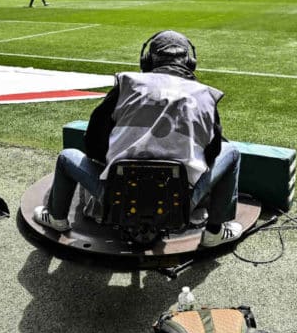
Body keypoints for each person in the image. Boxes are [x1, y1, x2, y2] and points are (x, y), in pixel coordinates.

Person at [32, 30, 243, 248]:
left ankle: (57, 218)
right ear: (189, 62)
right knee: (232, 153)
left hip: (117, 198)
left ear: (147, 60)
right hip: (180, 203)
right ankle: (214, 232)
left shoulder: (126, 84)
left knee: (67, 157)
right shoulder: (206, 95)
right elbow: (213, 153)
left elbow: (94, 144)